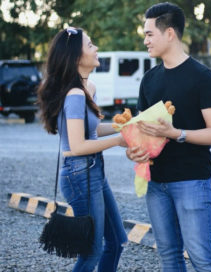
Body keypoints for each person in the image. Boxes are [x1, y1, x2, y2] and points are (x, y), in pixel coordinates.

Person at [125, 2, 211, 272]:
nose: (145, 40)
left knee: (202, 258)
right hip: (155, 183)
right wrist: (133, 151)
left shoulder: (203, 78)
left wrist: (175, 134)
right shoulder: (149, 79)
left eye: (149, 34)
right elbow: (140, 131)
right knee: (168, 256)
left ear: (169, 33)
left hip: (191, 180)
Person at [37, 27, 128, 272]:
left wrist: (127, 125)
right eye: (90, 45)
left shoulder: (86, 89)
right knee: (92, 252)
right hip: (80, 176)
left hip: (92, 172)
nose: (96, 48)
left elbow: (92, 132)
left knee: (117, 241)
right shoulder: (75, 94)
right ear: (76, 57)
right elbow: (76, 146)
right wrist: (120, 140)